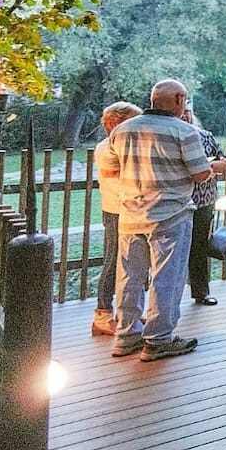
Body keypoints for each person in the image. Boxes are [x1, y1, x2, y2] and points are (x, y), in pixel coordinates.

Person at [100, 79, 224, 361]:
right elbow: (201, 173)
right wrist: (217, 166)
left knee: (130, 277)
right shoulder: (185, 131)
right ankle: (158, 339)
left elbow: (110, 168)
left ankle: (126, 334)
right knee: (166, 277)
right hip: (171, 215)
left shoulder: (122, 130)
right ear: (179, 99)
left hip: (130, 215)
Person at [91, 101, 143, 336]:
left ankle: (127, 311)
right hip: (116, 211)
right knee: (114, 261)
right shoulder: (108, 148)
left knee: (134, 263)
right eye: (133, 121)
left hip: (131, 210)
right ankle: (102, 313)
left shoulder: (124, 145)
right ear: (116, 123)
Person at [180, 105, 226, 306]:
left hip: (204, 198)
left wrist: (220, 165)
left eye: (187, 111)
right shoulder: (170, 137)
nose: (184, 115)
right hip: (179, 201)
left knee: (199, 246)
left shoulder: (206, 136)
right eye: (181, 111)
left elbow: (221, 159)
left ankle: (201, 291)